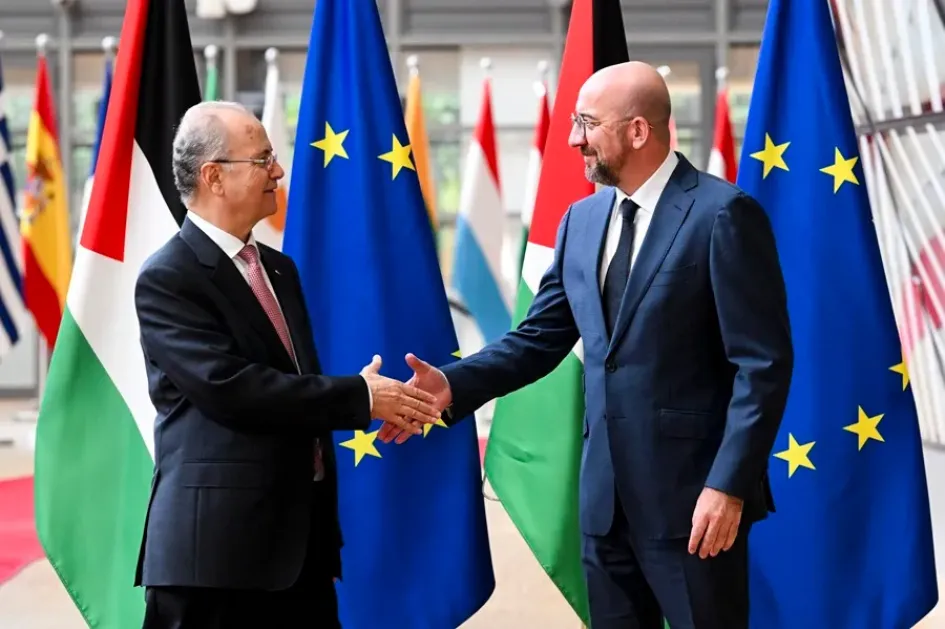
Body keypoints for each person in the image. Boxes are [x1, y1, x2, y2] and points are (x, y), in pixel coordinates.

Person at [381, 62, 794, 628]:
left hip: (695, 504)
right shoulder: (581, 220)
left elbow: (763, 366)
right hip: (604, 508)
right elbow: (538, 339)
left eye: (588, 123)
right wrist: (453, 384)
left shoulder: (723, 214)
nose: (574, 138)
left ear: (638, 131)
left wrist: (728, 485)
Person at [133, 101, 442, 629]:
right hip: (214, 559)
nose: (278, 171)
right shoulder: (169, 277)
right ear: (213, 177)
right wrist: (362, 398)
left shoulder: (277, 268)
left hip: (299, 550)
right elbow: (232, 389)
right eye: (262, 160)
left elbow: (295, 387)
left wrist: (371, 397)